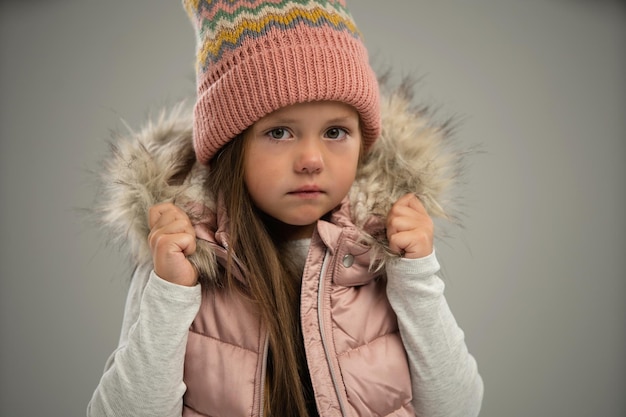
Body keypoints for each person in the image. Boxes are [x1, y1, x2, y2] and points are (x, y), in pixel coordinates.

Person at [87, 1, 483, 416]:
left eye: (335, 131)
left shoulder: (385, 252)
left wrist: (417, 278)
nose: (311, 159)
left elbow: (458, 408)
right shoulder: (182, 255)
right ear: (231, 146)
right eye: (279, 132)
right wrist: (171, 293)